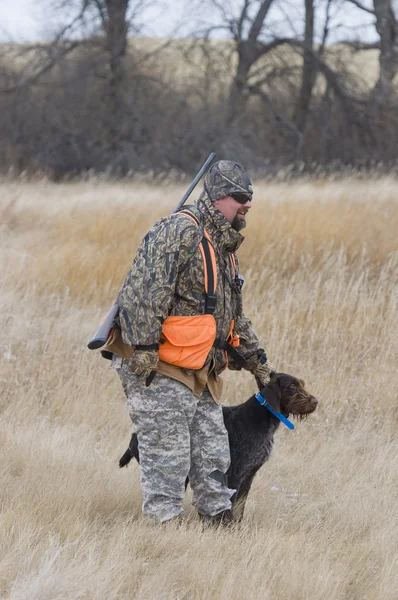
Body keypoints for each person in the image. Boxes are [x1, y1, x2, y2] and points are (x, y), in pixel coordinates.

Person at [109, 160, 274, 525]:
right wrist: (145, 352)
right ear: (217, 198)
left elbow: (233, 317)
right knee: (168, 456)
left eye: (250, 198)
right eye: (240, 198)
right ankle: (163, 537)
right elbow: (142, 293)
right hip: (158, 364)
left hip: (198, 368)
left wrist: (258, 361)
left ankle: (219, 527)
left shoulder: (224, 248)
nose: (247, 205)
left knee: (214, 455)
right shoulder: (179, 232)